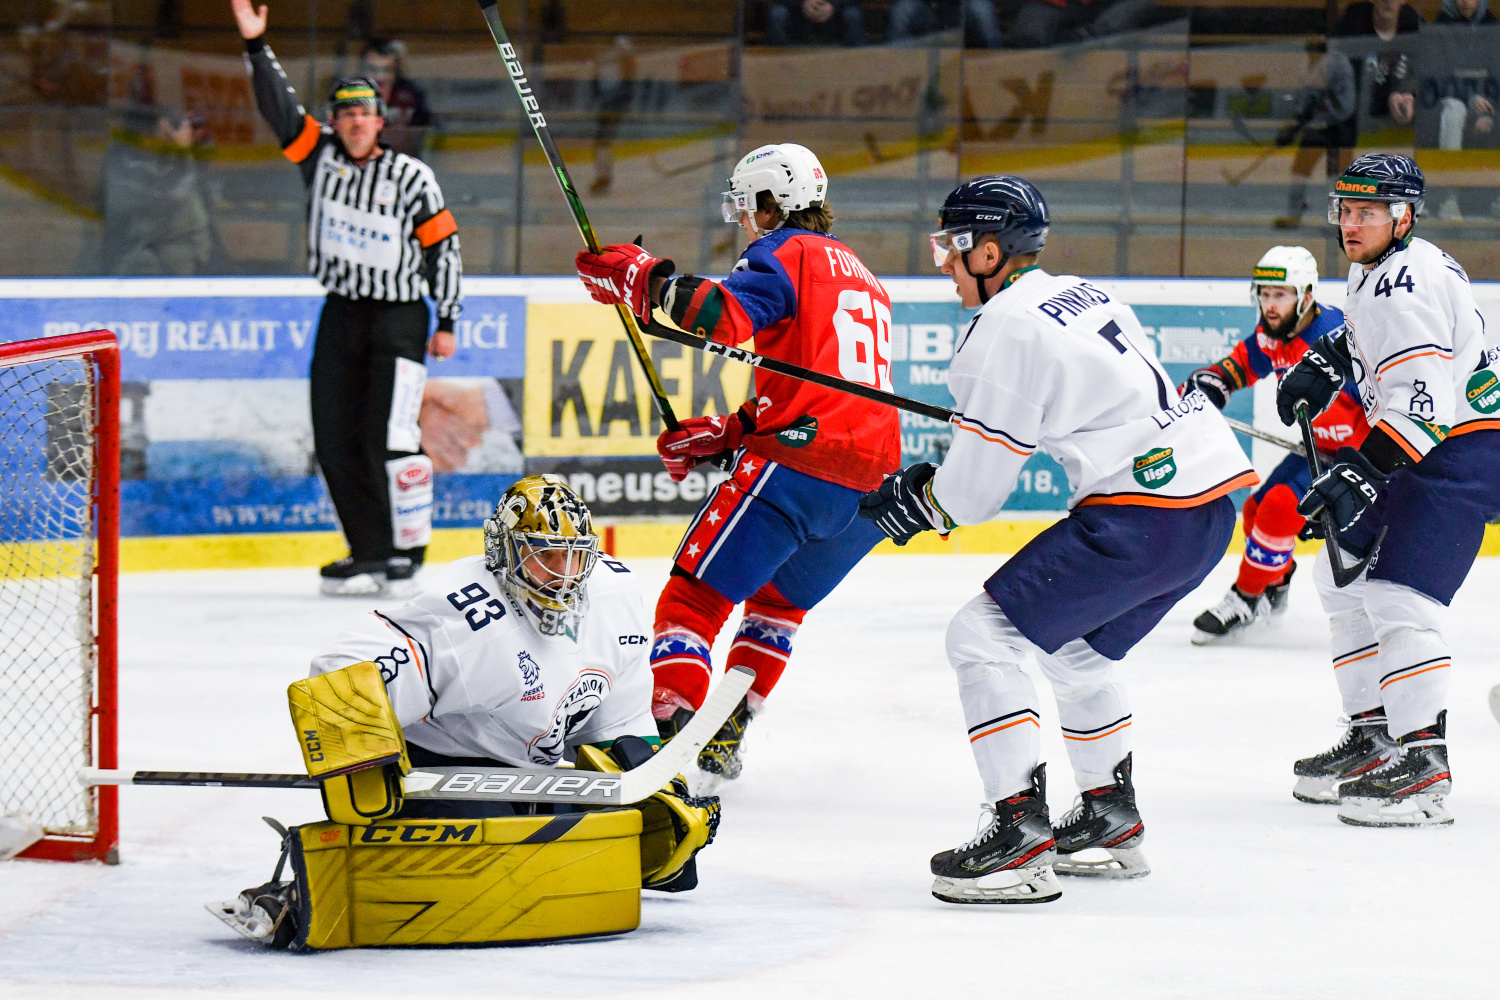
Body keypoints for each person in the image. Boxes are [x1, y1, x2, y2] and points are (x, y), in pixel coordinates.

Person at [858, 176, 1255, 904]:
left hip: (1143, 514)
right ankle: (1109, 817)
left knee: (980, 638)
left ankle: (1017, 835)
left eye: (952, 245)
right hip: (1205, 510)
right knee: (1076, 651)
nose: (943, 260)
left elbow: (974, 496)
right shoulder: (1079, 291)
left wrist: (923, 502)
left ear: (988, 251)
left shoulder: (1000, 330)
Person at [211, 476, 719, 948]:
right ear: (503, 553)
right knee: (484, 857)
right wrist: (363, 761)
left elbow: (619, 717)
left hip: (531, 776)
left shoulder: (617, 595)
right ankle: (299, 892)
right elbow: (339, 672)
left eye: (573, 557)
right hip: (437, 769)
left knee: (652, 834)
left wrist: (649, 777)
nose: (562, 576)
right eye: (542, 557)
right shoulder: (465, 617)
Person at [574, 144, 900, 786]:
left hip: (798, 467)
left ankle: (672, 755)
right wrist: (727, 433)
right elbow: (815, 385)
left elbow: (725, 317)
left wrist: (646, 277)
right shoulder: (864, 276)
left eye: (746, 207)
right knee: (776, 606)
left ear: (769, 202)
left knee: (692, 603)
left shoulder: (786, 251)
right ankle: (724, 735)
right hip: (871, 487)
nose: (744, 222)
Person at [1275, 153, 1500, 826]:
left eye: (1367, 212)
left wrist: (1361, 471)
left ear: (1403, 216)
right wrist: (1330, 356)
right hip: (1431, 441)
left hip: (1464, 447)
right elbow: (1377, 335)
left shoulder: (1406, 280)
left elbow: (1425, 407)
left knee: (1398, 592)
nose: (1351, 223)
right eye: (1345, 210)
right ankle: (1373, 736)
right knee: (1339, 576)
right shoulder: (1386, 264)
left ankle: (1422, 764)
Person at [232, 0, 463, 599]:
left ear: (381, 120)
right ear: (334, 121)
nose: (356, 122)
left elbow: (445, 250)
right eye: (346, 113)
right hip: (341, 311)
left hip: (401, 316)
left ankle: (407, 550)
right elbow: (279, 109)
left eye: (365, 112)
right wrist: (257, 46)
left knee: (385, 434)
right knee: (333, 434)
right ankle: (368, 551)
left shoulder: (413, 177)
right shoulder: (320, 156)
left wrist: (449, 318)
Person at [1182, 246, 1370, 644]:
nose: (1270, 304)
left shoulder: (1334, 336)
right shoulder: (1275, 334)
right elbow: (1239, 366)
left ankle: (1246, 598)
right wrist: (1210, 384)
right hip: (1318, 448)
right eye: (1264, 294)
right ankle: (1275, 587)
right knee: (1253, 511)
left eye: (1280, 294)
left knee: (1279, 508)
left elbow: (1380, 396)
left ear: (1305, 295)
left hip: (1359, 456)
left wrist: (1366, 468)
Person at [359, 38, 432, 158]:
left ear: (396, 72)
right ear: (362, 70)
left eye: (386, 70)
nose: (380, 77)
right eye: (373, 70)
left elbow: (424, 134)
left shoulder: (412, 97)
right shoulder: (348, 95)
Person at [886, 0, 1003, 48]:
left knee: (982, 12)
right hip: (923, 3)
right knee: (901, 13)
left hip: (962, 3)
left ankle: (995, 73)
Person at [762, 0, 867, 46]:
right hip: (797, 14)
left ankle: (855, 65)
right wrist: (803, 3)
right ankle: (779, 67)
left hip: (836, 15)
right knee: (777, 14)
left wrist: (833, 5)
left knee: (853, 15)